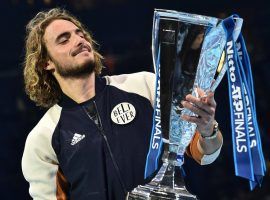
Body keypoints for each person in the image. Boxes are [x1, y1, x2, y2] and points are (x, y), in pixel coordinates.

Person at [21, 8, 223, 200]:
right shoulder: (43, 138)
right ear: (45, 63)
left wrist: (207, 129)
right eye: (64, 40)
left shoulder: (144, 85)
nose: (79, 40)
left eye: (80, 34)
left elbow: (205, 154)